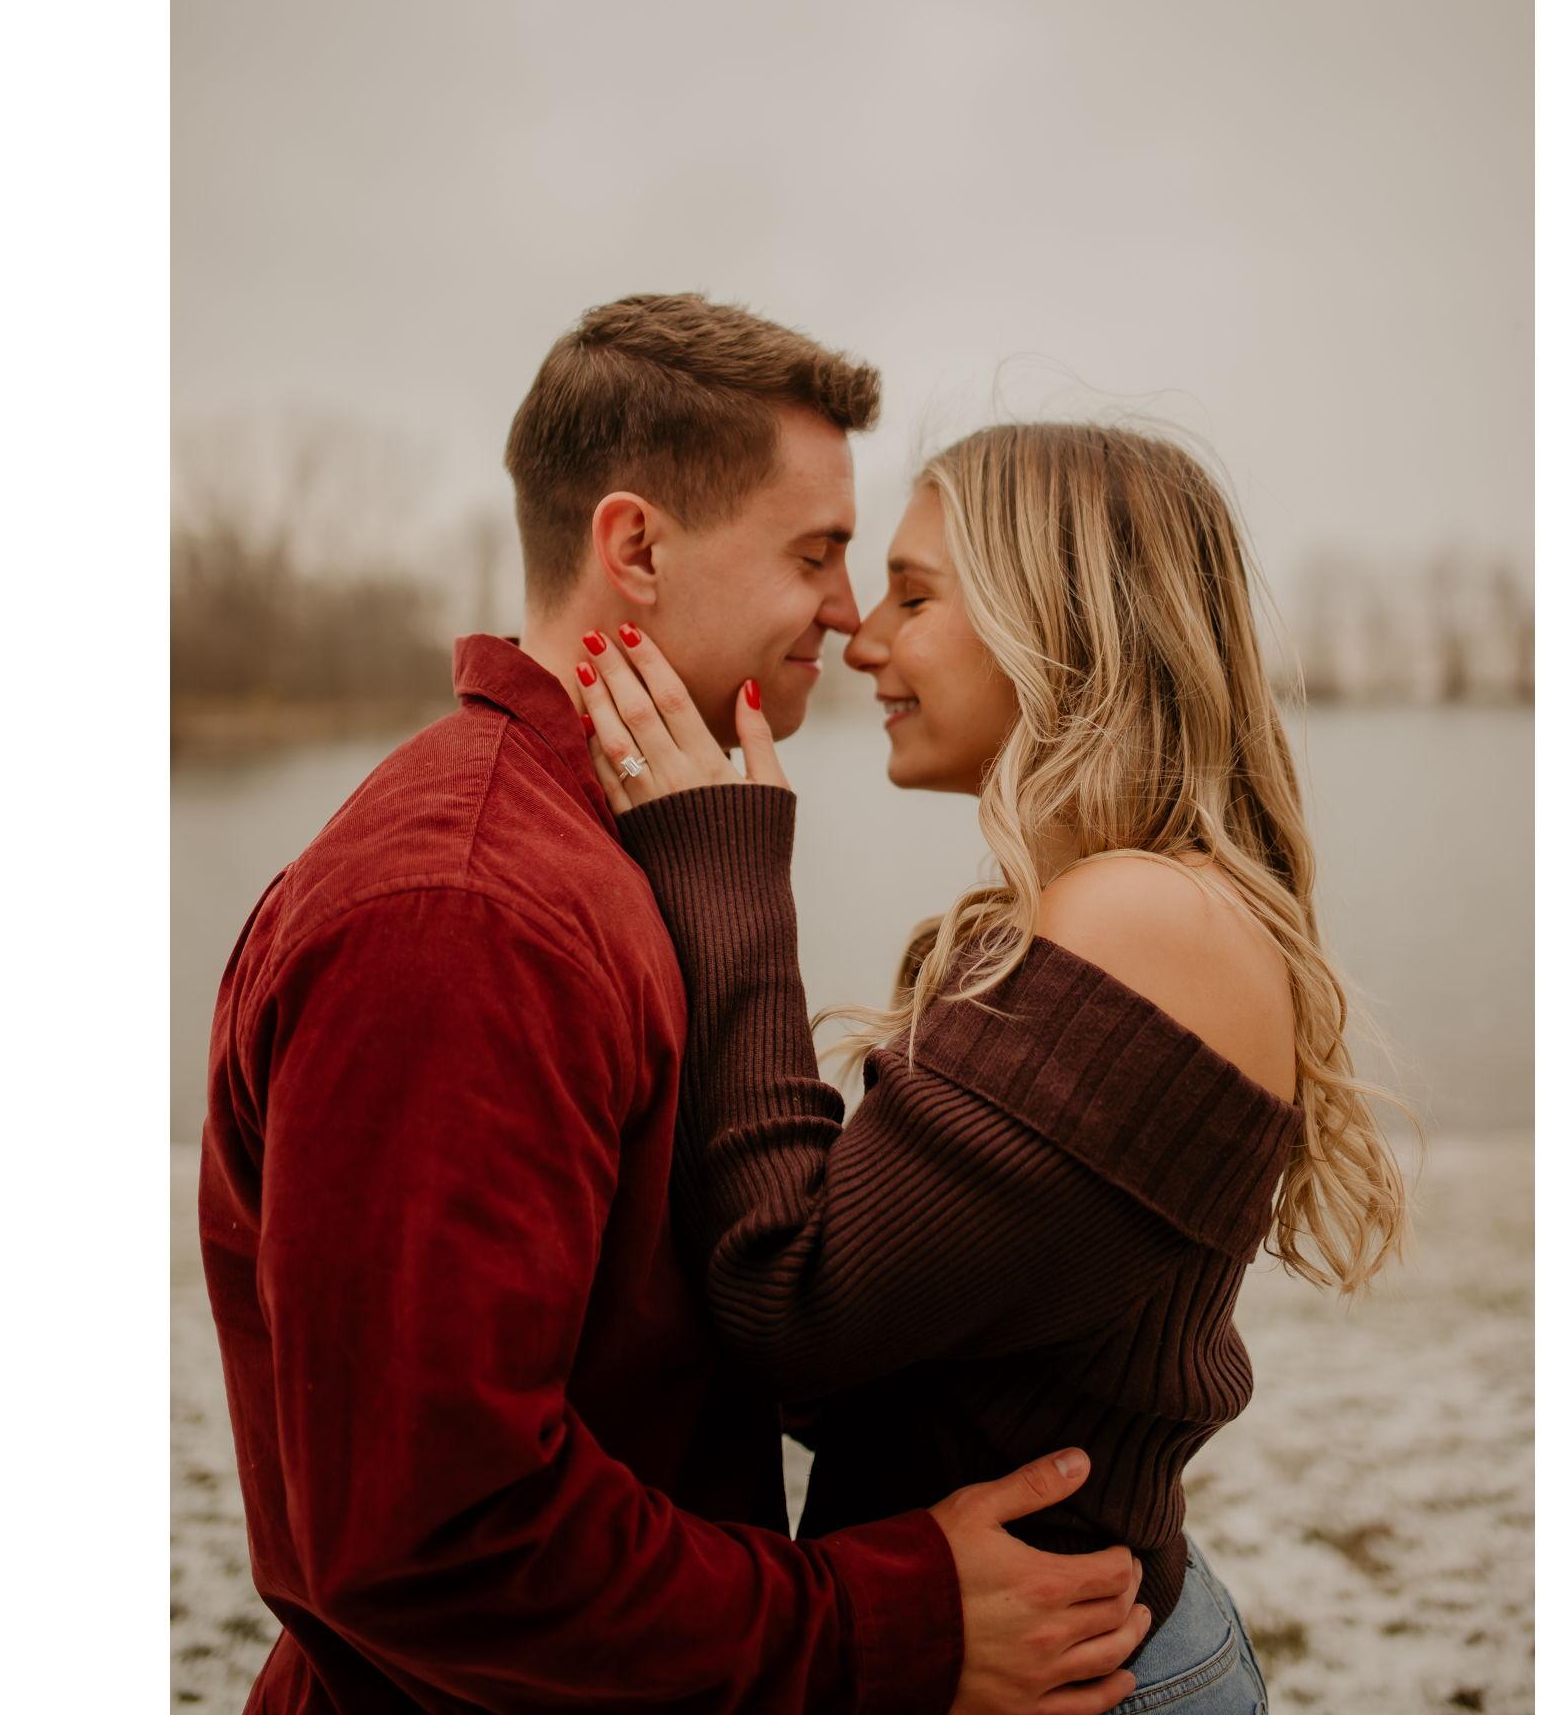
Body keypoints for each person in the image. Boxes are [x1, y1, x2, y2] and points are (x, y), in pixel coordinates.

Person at [198, 297, 1152, 1715]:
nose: (848, 613)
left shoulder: (605, 847)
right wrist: (887, 1622)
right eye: (815, 554)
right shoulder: (462, 915)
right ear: (636, 549)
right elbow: (428, 1540)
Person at [572, 420, 1414, 1714]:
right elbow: (900, 1334)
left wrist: (728, 874)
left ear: (1061, 624)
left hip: (1079, 1675)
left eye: (913, 598)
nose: (862, 641)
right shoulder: (1115, 909)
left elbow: (791, 1310)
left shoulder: (1145, 921)